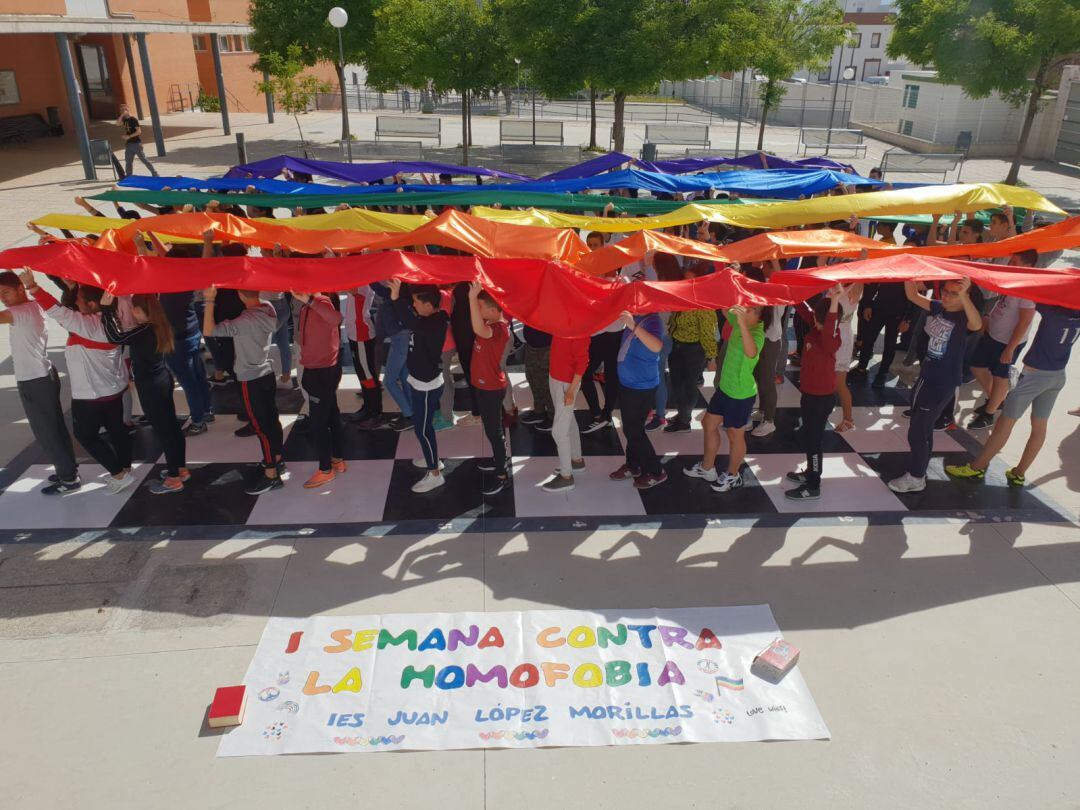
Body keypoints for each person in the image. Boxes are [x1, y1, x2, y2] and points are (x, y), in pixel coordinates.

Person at [20, 272, 135, 493]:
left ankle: (119, 475)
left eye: (79, 301)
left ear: (92, 303)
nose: (76, 304)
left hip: (91, 395)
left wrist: (32, 286)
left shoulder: (87, 324)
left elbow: (56, 311)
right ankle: (126, 467)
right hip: (115, 388)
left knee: (86, 435)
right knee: (117, 429)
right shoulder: (114, 319)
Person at [946, 302, 1080, 487]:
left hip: (1034, 376)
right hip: (1057, 376)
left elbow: (1031, 296)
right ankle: (1019, 473)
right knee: (1039, 426)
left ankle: (977, 467)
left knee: (1004, 423)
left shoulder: (1053, 312)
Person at [887, 278, 981, 493]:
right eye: (945, 291)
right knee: (923, 428)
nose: (946, 296)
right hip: (927, 376)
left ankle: (916, 477)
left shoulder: (964, 317)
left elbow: (977, 325)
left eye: (953, 294)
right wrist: (908, 272)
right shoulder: (938, 307)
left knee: (918, 432)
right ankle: (919, 469)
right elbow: (912, 295)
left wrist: (964, 295)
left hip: (942, 382)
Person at [0, 271, 79, 494]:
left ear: (19, 289)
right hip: (43, 374)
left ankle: (69, 478)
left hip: (34, 379)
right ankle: (68, 468)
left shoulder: (19, 312)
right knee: (55, 427)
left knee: (47, 431)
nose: (3, 298)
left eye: (6, 292)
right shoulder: (33, 306)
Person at [101, 294, 189, 494]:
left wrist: (106, 310)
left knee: (165, 431)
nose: (132, 312)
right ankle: (180, 469)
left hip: (151, 386)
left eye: (135, 309)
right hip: (162, 380)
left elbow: (115, 338)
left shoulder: (143, 331)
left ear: (143, 312)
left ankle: (174, 478)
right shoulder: (159, 327)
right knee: (172, 428)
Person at [202, 287, 285, 495]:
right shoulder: (268, 309)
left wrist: (209, 301)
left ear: (240, 296)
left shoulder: (242, 321)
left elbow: (209, 331)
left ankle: (271, 475)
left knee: (260, 427)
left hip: (250, 379)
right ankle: (276, 459)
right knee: (271, 420)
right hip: (266, 374)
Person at [684, 305, 767, 493]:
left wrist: (741, 323)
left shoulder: (757, 332)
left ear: (758, 314)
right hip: (725, 388)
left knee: (734, 434)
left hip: (741, 395)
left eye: (748, 309)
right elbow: (723, 309)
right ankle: (707, 468)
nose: (743, 311)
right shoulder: (740, 321)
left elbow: (751, 352)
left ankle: (733, 475)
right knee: (708, 423)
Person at [388, 279, 450, 493]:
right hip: (421, 381)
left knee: (422, 430)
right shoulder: (429, 318)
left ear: (427, 305)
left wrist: (396, 299)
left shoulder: (432, 324)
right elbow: (411, 320)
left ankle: (435, 474)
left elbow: (410, 321)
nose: (413, 306)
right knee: (423, 427)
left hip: (426, 385)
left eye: (416, 302)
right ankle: (434, 460)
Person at [966, 252, 1038, 430]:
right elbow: (1002, 303)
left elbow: (1024, 321)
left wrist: (1010, 348)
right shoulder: (1012, 279)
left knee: (1000, 376)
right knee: (976, 365)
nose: (1009, 264)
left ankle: (989, 414)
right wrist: (989, 318)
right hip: (993, 334)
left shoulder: (1028, 287)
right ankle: (996, 400)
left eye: (1014, 262)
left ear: (1027, 265)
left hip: (1008, 341)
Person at [786, 289, 842, 500]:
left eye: (820, 321)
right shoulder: (816, 328)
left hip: (820, 399)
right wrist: (790, 289)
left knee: (814, 441)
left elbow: (828, 328)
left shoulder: (831, 339)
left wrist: (835, 301)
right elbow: (804, 308)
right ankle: (810, 472)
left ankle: (813, 485)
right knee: (809, 436)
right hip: (810, 395)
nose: (816, 323)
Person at [293, 291, 347, 489]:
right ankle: (337, 460)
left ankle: (325, 470)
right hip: (319, 370)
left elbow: (336, 318)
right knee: (332, 414)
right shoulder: (309, 305)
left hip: (321, 372)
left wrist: (308, 299)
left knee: (318, 423)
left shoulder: (321, 301)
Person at [611, 309, 667, 489]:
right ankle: (633, 465)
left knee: (634, 431)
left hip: (642, 385)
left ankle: (656, 471)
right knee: (630, 427)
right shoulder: (635, 316)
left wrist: (632, 325)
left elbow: (657, 346)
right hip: (629, 382)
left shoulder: (653, 320)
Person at [467, 283, 512, 495]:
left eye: (481, 308)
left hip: (491, 389)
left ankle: (502, 474)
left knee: (494, 433)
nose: (479, 313)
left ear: (494, 311)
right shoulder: (492, 323)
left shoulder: (499, 330)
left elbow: (477, 329)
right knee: (493, 429)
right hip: (484, 387)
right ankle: (498, 459)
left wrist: (471, 297)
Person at [542, 332, 589, 492]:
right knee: (568, 421)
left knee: (559, 432)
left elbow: (582, 362)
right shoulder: (562, 323)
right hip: (556, 378)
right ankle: (576, 460)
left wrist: (570, 390)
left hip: (566, 383)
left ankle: (566, 476)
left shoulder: (579, 329)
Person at [664, 305, 717, 433]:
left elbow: (708, 333)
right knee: (677, 384)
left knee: (688, 386)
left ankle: (684, 422)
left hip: (693, 350)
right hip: (677, 345)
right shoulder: (683, 301)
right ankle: (683, 414)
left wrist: (711, 358)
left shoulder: (704, 307)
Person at [850, 281, 911, 388]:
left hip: (898, 312)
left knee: (890, 344)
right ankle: (861, 368)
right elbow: (873, 283)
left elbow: (915, 296)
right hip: (878, 307)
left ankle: (882, 373)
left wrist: (907, 319)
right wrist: (868, 304)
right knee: (868, 338)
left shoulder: (909, 269)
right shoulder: (886, 265)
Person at [344, 284, 383, 428]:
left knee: (368, 374)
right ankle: (368, 407)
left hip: (362, 333)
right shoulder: (358, 280)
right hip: (355, 331)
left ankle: (375, 412)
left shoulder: (364, 283)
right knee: (363, 373)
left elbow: (361, 298)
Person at [519, 324, 555, 431]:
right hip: (531, 345)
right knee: (532, 377)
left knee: (545, 383)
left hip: (546, 347)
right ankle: (539, 411)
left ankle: (552, 416)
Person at [117, 103, 158, 178]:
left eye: (124, 109)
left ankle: (155, 173)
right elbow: (117, 123)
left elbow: (139, 131)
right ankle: (129, 176)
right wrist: (122, 115)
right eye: (121, 110)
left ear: (128, 109)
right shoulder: (125, 119)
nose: (123, 111)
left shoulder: (133, 119)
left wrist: (129, 136)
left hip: (136, 144)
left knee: (144, 160)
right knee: (128, 161)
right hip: (129, 144)